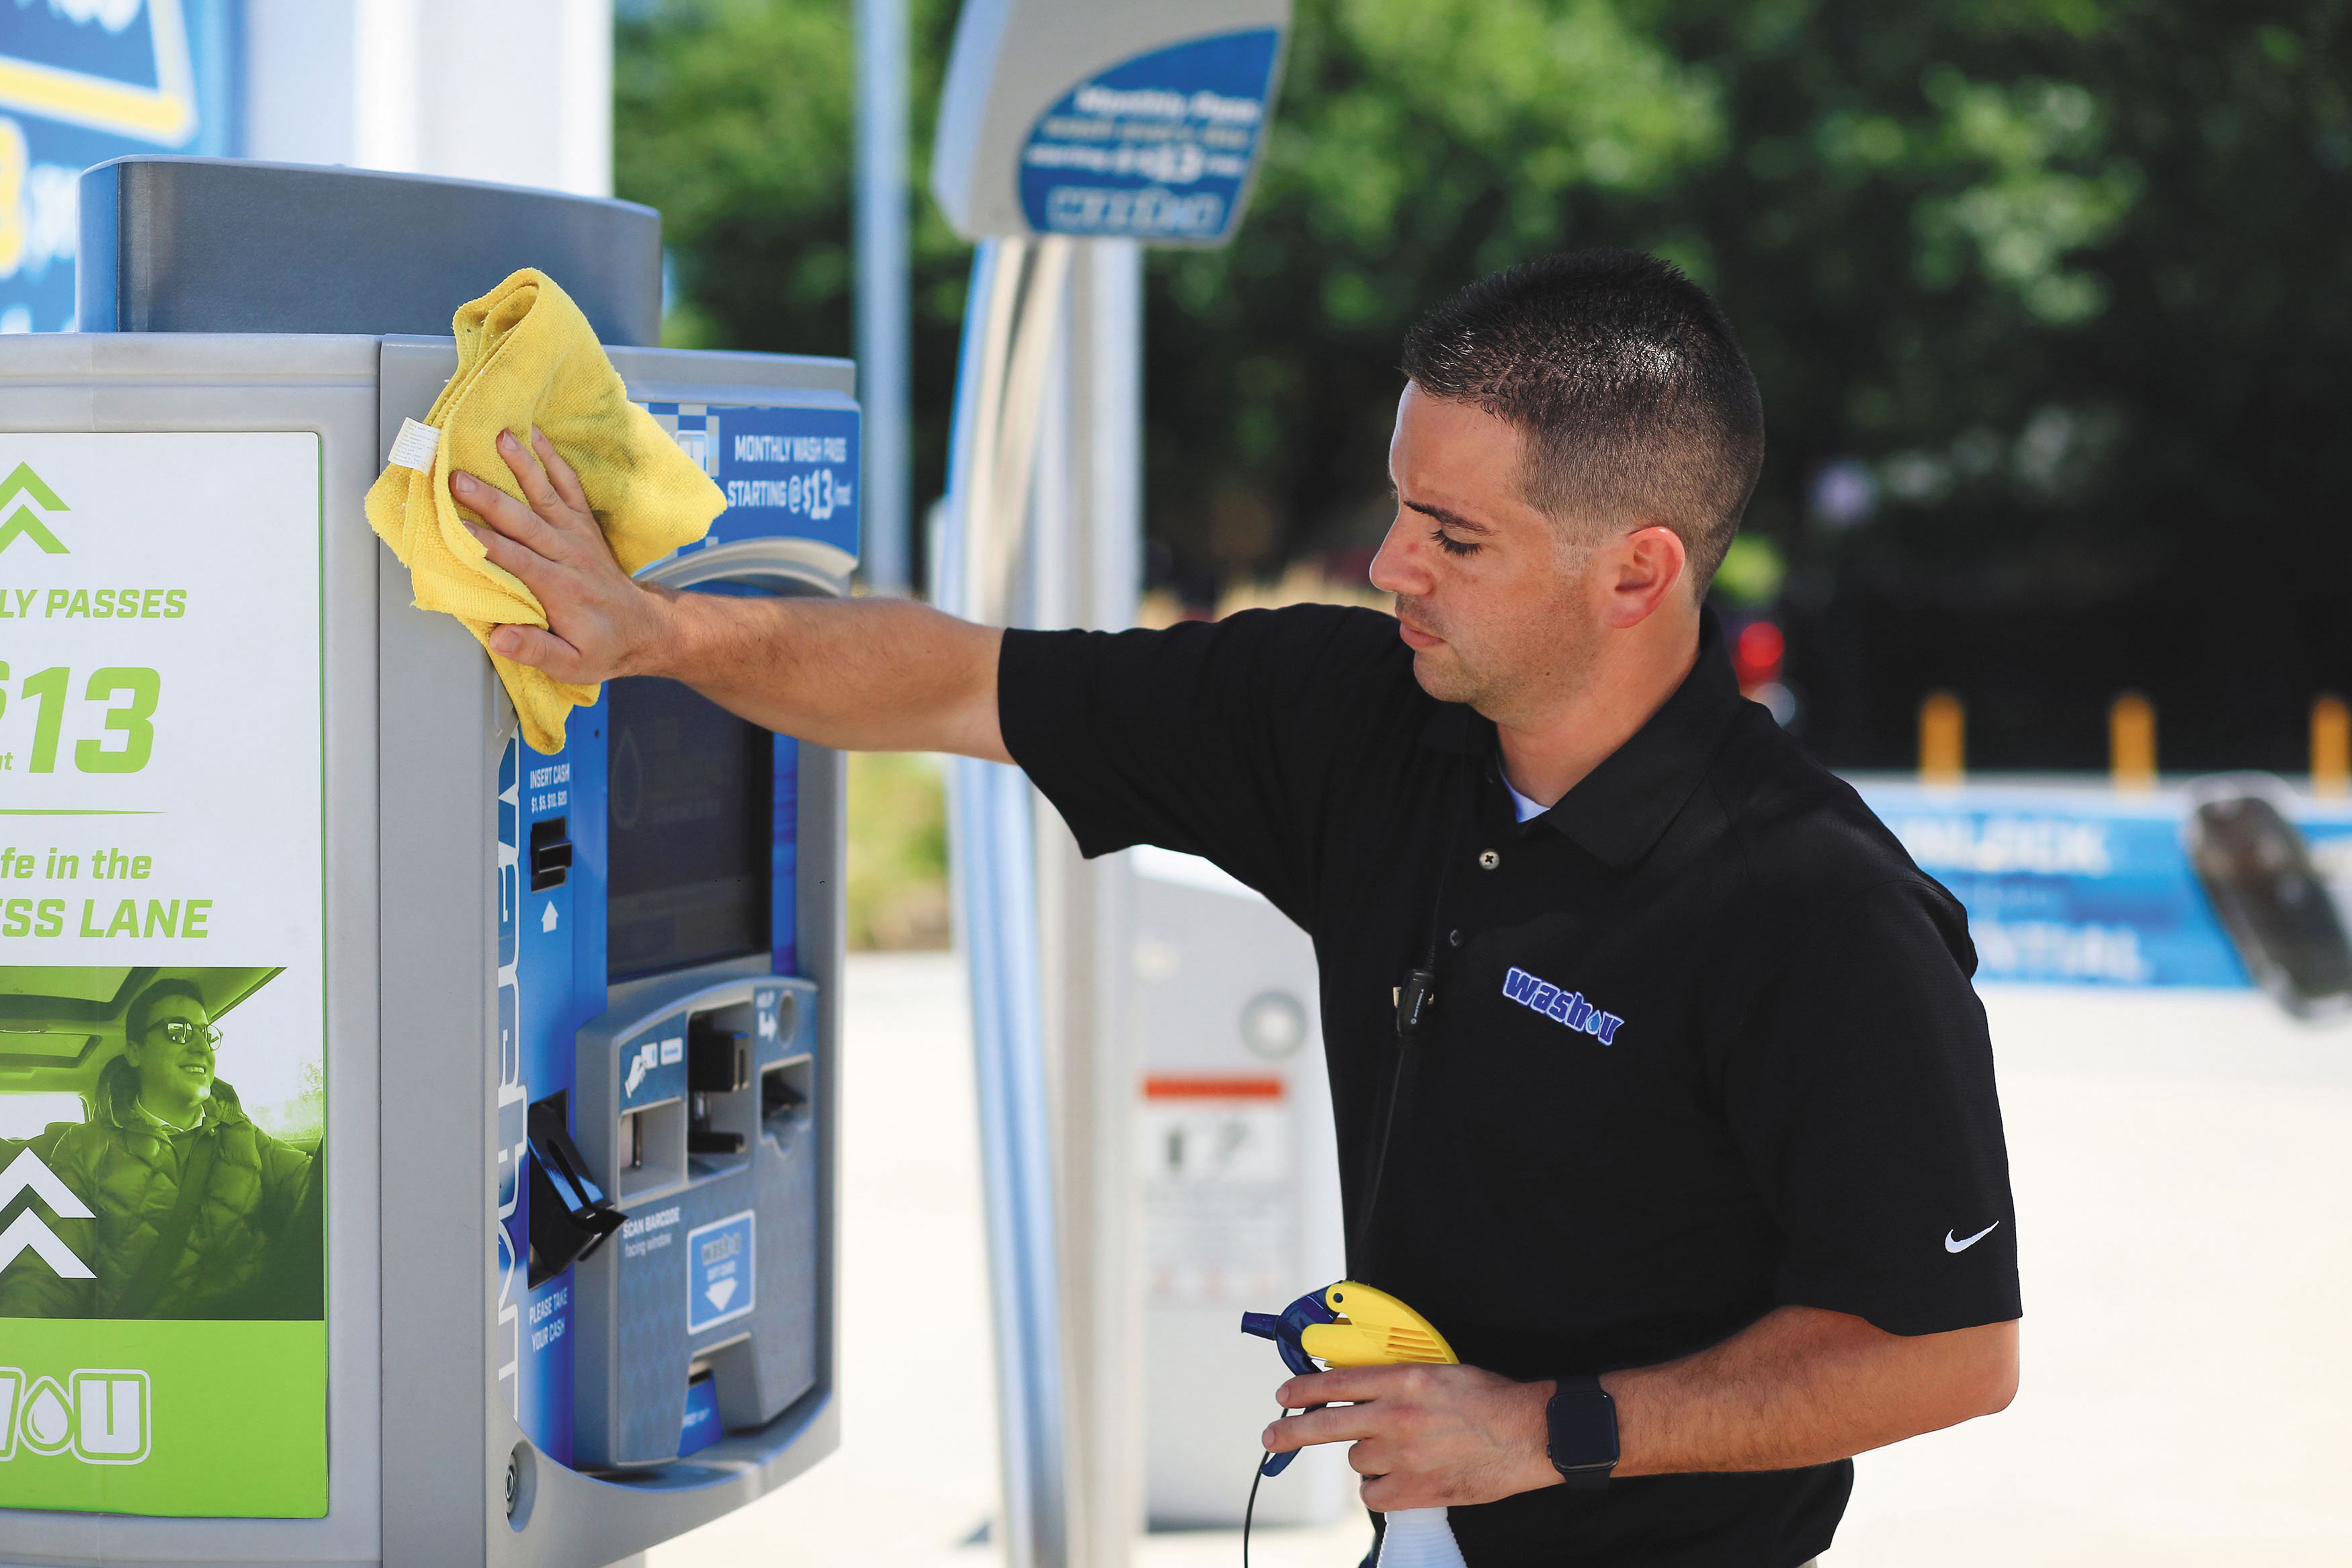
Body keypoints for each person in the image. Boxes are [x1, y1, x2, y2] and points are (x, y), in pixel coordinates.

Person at [456, 249, 2019, 1567]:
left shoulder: (1814, 906)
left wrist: (1545, 1430)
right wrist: (651, 631)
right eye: (1402, 503)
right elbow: (959, 676)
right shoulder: (1356, 716)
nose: (1390, 559)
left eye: (1454, 537)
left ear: (1638, 572)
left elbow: (1948, 1348)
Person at [0, 978, 316, 1321]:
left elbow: (324, 1194)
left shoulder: (246, 1137)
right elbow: (46, 1274)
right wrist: (25, 1350)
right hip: (138, 1357)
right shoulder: (84, 1147)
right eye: (177, 1031)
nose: (200, 1045)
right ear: (135, 1053)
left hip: (245, 1348)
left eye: (206, 1033)